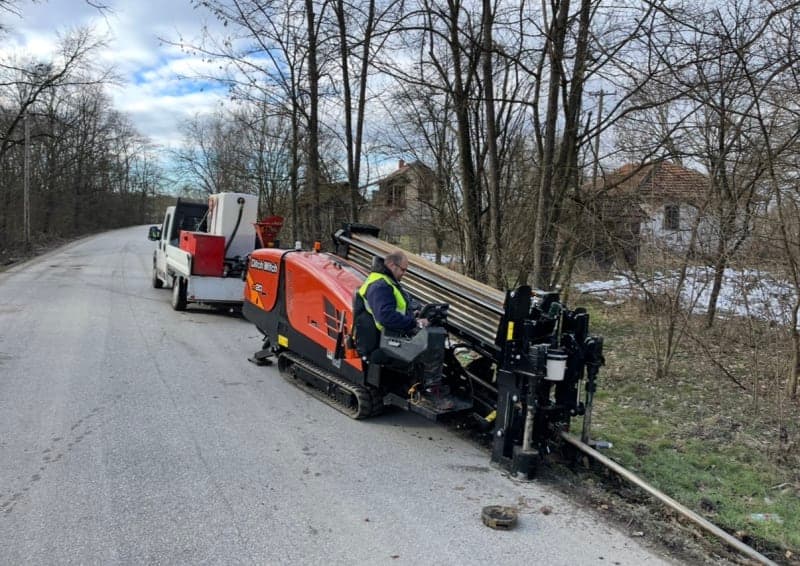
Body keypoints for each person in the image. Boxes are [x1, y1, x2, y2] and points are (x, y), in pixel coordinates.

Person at [357, 251, 428, 336]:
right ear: (392, 265)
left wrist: (411, 314)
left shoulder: (388, 282)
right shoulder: (380, 285)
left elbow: (396, 307)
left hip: (390, 335)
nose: (404, 273)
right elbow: (386, 316)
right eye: (403, 270)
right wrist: (415, 323)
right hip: (383, 339)